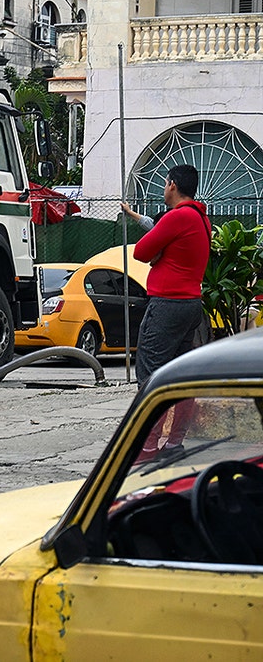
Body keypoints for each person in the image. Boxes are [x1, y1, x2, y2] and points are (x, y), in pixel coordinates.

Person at [127, 164, 211, 462]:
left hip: (167, 304)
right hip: (191, 305)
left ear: (172, 185)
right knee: (180, 375)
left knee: (150, 374)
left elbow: (140, 252)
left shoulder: (178, 217)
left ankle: (147, 447)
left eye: (165, 184)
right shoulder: (202, 219)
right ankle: (174, 443)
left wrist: (158, 257)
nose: (163, 189)